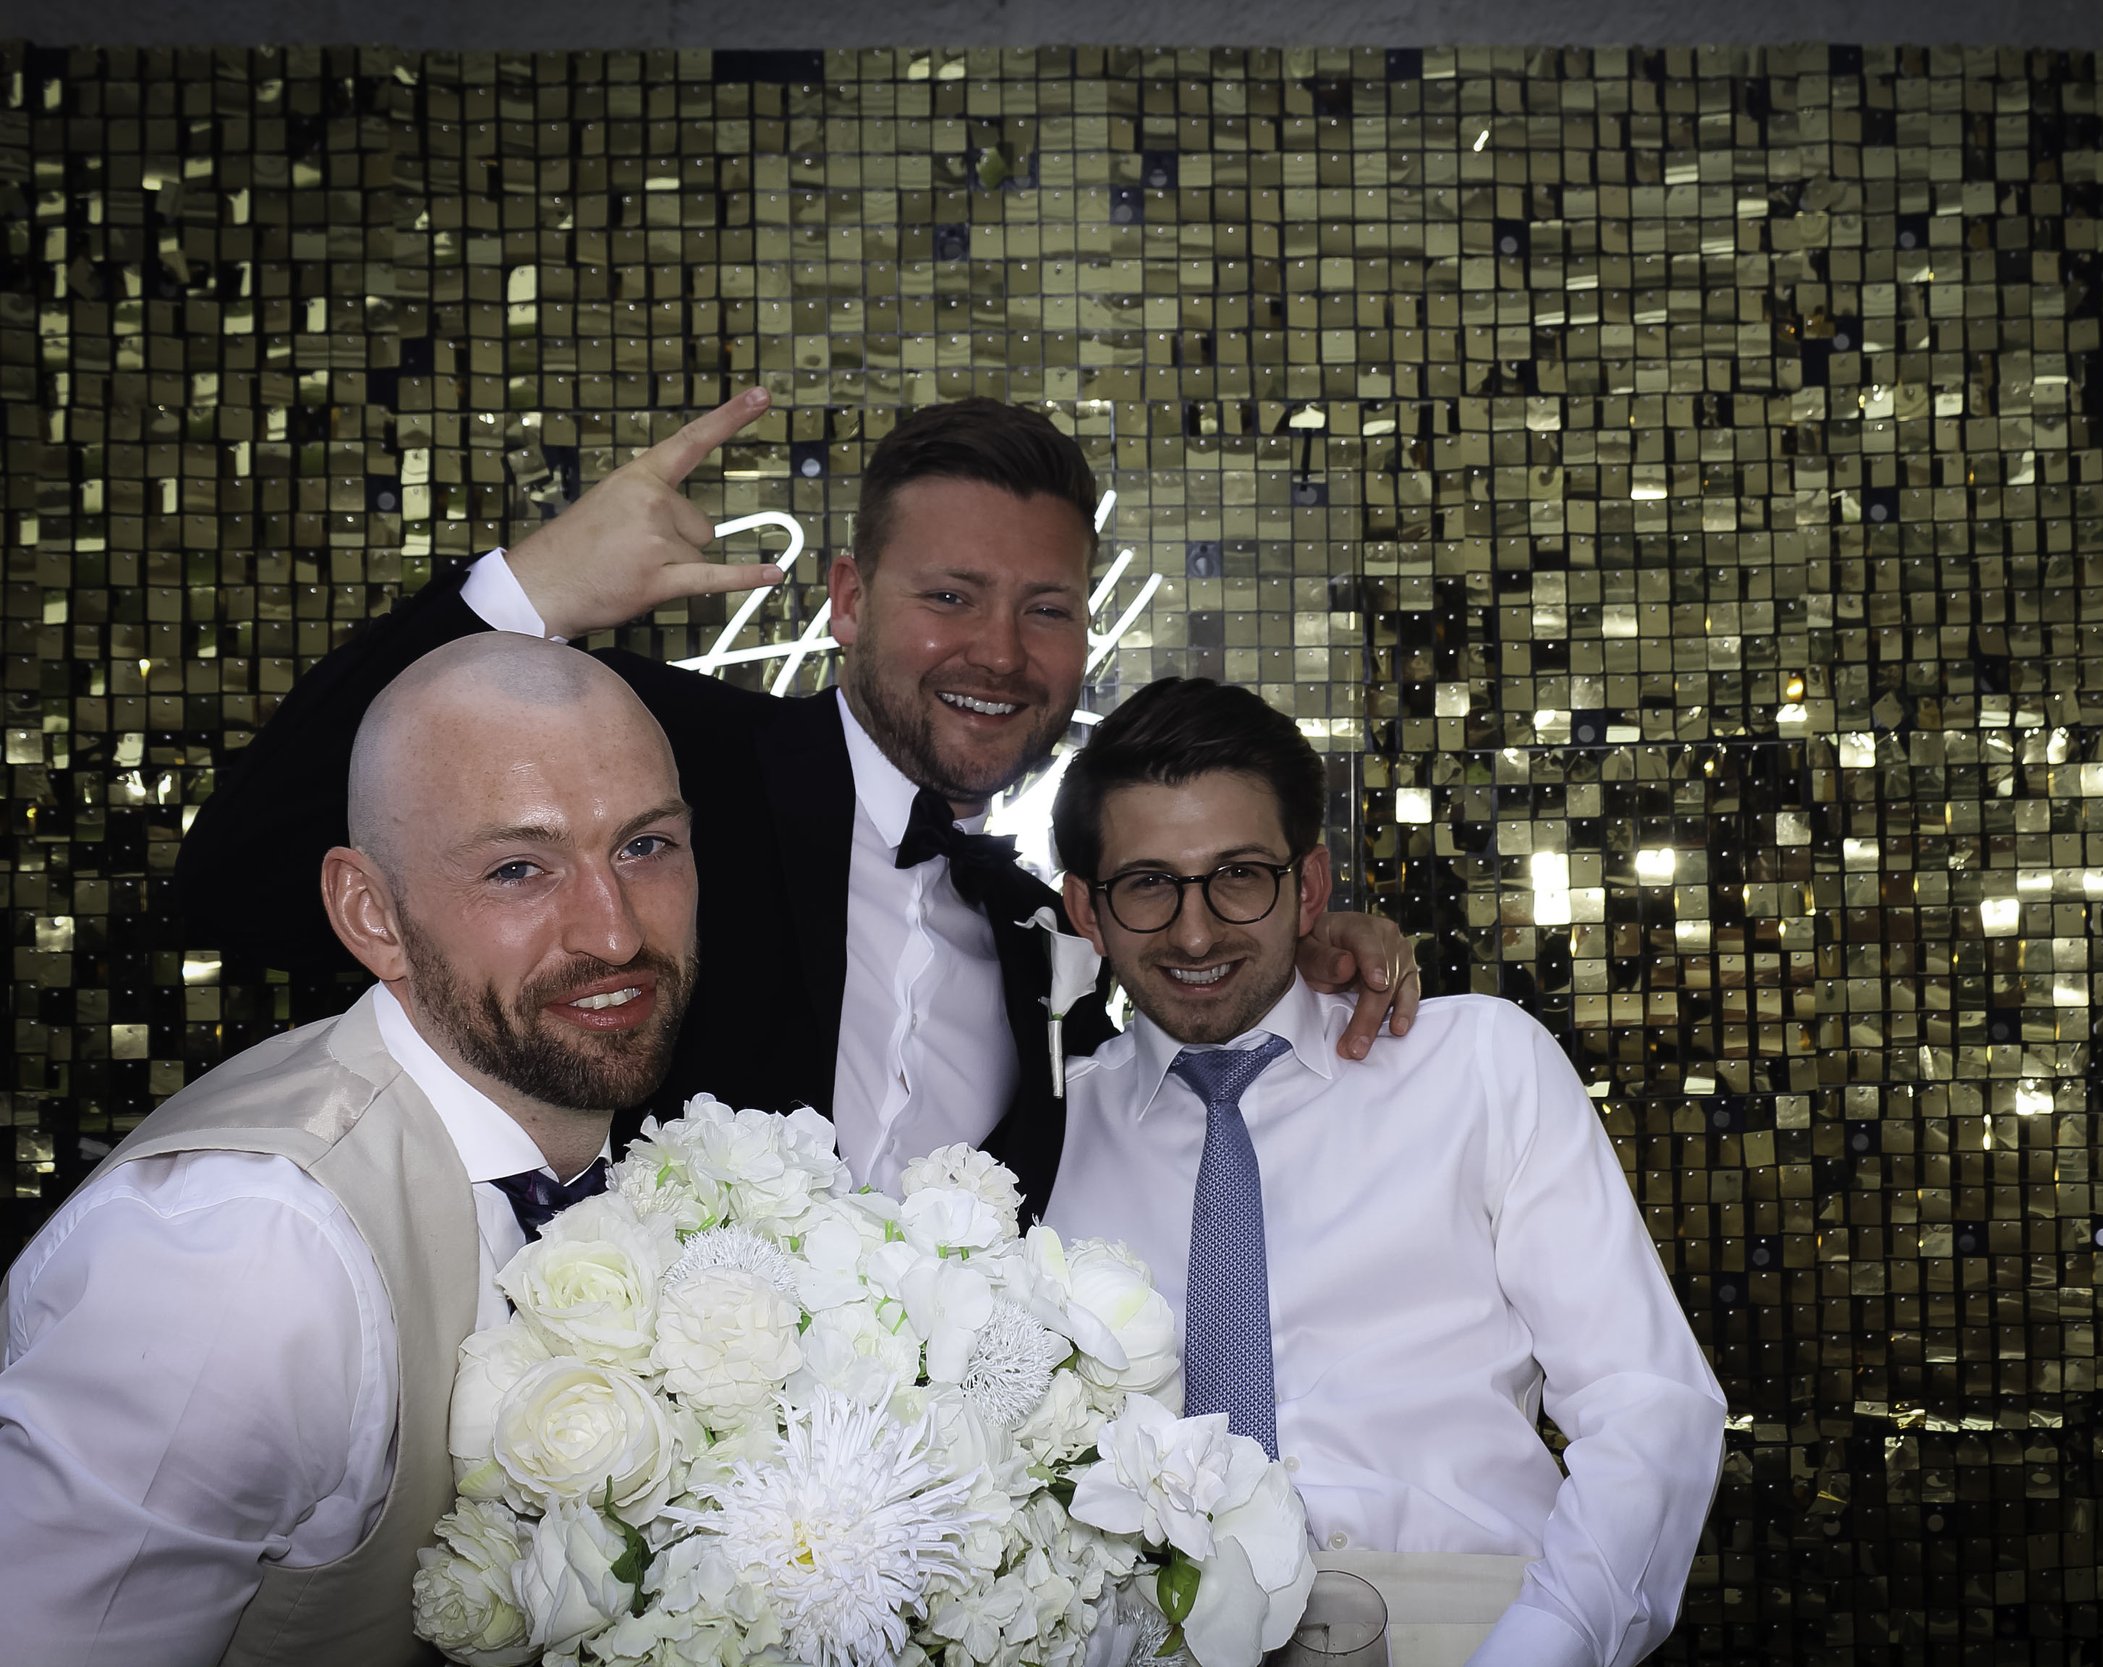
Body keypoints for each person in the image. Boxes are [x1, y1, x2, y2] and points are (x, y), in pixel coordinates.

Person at [175, 391, 1415, 1213]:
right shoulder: (663, 761)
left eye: (1045, 609)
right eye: (949, 596)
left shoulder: (1037, 922)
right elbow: (244, 879)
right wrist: (525, 587)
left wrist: (1303, 953)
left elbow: (1162, 1065)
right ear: (849, 600)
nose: (999, 651)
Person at [0, 634, 696, 1664]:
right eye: (518, 868)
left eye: (646, 845)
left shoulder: (646, 1157)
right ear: (373, 915)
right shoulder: (249, 1258)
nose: (615, 932)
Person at [1043, 678, 1726, 1667]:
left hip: (1481, 1622)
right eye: (1149, 883)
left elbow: (1648, 1400)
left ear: (1311, 886)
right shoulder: (1044, 1133)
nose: (1195, 931)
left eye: (1240, 874)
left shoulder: (1478, 1064)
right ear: (1087, 909)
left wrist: (1540, 1646)